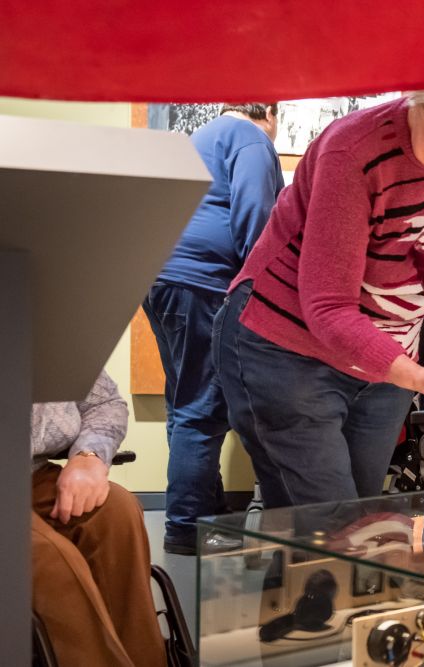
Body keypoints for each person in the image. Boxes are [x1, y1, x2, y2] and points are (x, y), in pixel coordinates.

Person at [213, 81, 424, 509]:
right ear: (416, 102)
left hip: (384, 360)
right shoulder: (354, 151)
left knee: (357, 525)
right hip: (287, 348)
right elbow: (328, 306)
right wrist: (416, 378)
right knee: (327, 527)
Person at [142, 102, 284, 554]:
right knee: (202, 410)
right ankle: (186, 528)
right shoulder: (251, 138)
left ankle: (208, 512)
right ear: (271, 113)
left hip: (161, 280)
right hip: (203, 284)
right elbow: (257, 219)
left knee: (185, 403)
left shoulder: (201, 137)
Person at [31, 370, 166, 667]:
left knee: (117, 512)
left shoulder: (48, 334)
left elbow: (104, 403)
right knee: (50, 556)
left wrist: (89, 456)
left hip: (29, 471)